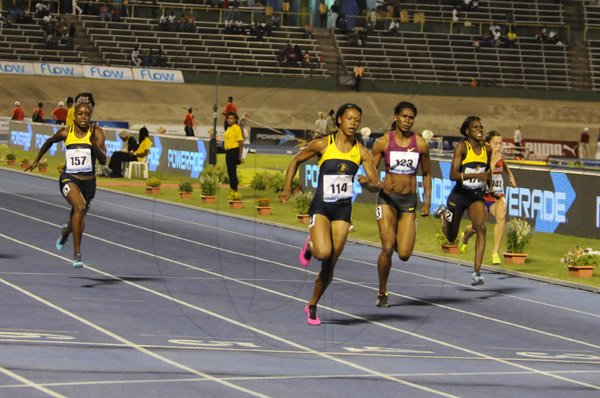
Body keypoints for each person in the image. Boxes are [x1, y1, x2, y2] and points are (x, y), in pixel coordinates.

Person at [278, 103, 381, 326]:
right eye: (350, 118)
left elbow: (374, 183)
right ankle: (311, 245)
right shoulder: (324, 144)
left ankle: (312, 304)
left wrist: (368, 182)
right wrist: (287, 188)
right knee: (323, 253)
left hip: (343, 211)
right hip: (322, 207)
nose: (354, 123)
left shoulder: (362, 152)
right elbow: (296, 160)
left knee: (330, 264)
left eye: (358, 119)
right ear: (340, 121)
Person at [25, 93, 106, 269]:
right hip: (69, 179)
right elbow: (49, 141)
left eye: (87, 114)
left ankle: (65, 232)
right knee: (80, 207)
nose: (84, 117)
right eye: (80, 114)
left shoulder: (97, 133)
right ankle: (77, 254)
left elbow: (104, 159)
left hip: (89, 183)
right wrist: (37, 160)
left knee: (77, 217)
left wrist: (94, 145)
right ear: (74, 116)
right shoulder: (65, 132)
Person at [370, 102, 432, 308]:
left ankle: (403, 231)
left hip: (409, 201)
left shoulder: (421, 144)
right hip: (387, 199)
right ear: (396, 116)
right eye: (404, 116)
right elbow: (370, 172)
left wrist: (427, 202)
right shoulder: (382, 142)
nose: (407, 121)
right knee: (387, 248)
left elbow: (427, 173)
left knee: (404, 254)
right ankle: (382, 291)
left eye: (411, 118)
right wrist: (376, 184)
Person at [434, 116, 491, 286]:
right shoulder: (462, 147)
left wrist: (489, 184)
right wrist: (475, 175)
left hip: (475, 196)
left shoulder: (487, 150)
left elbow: (487, 171)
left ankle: (477, 272)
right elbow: (452, 175)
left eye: (481, 127)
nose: (480, 130)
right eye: (475, 127)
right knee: (451, 236)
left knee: (481, 227)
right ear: (467, 131)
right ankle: (443, 214)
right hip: (459, 196)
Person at [459, 130, 516, 265]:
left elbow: (504, 164)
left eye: (500, 143)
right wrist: (492, 163)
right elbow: (483, 175)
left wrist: (510, 175)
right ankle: (465, 235)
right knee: (477, 226)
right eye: (495, 143)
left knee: (501, 217)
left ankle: (495, 252)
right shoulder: (483, 156)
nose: (498, 146)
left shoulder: (499, 155)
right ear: (487, 144)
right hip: (482, 195)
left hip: (497, 193)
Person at [223, 112, 244, 192]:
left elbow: (241, 142)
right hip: (228, 151)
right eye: (228, 118)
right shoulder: (229, 127)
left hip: (234, 151)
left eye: (231, 118)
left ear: (235, 120)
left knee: (233, 172)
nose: (229, 120)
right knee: (230, 172)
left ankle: (234, 191)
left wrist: (240, 156)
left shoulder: (236, 128)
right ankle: (232, 190)